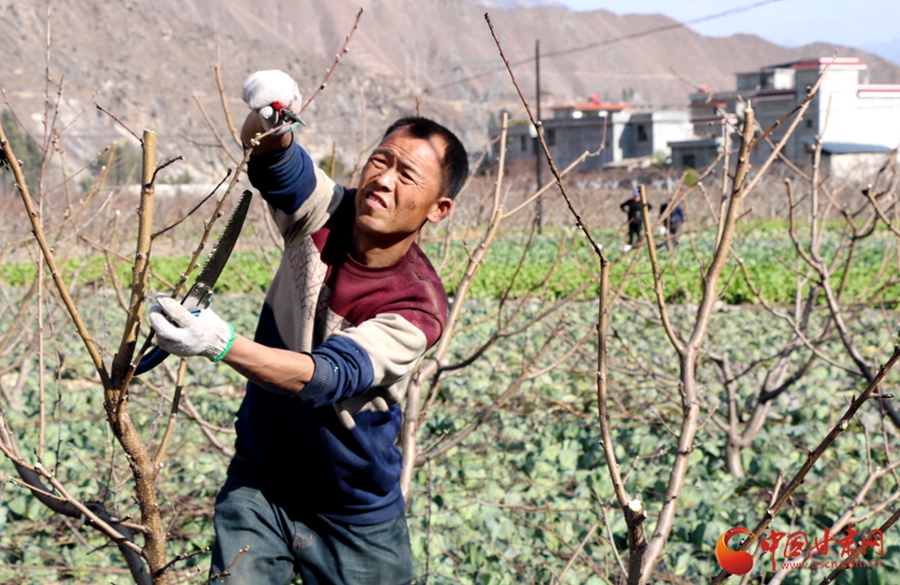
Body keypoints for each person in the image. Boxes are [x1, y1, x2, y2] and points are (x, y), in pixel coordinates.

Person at [148, 70, 468, 585]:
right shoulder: (326, 212)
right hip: (261, 483)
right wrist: (272, 119)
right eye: (380, 160)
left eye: (407, 175)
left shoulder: (416, 305)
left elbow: (322, 378)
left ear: (438, 210)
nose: (383, 179)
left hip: (353, 511)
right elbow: (275, 161)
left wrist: (219, 342)